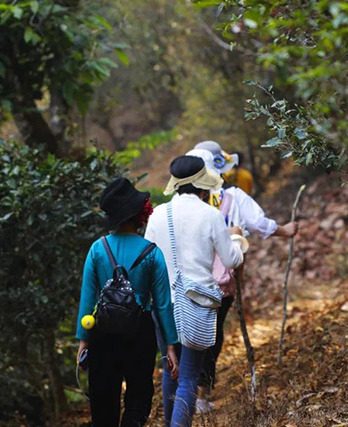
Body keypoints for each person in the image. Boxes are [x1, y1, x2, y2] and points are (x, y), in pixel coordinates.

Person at [187, 143, 299, 412]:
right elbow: (259, 224)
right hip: (225, 277)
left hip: (190, 278)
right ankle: (202, 394)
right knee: (214, 333)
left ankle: (188, 393)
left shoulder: (187, 202)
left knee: (194, 333)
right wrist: (285, 230)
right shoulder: (234, 196)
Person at [145, 156, 244, 427]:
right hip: (197, 303)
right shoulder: (210, 215)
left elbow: (147, 258)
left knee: (170, 370)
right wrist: (235, 239)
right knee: (189, 376)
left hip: (164, 303)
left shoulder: (156, 215)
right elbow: (232, 260)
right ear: (203, 187)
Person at [76, 177, 179, 427]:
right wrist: (170, 345)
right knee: (139, 395)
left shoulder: (97, 249)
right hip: (140, 332)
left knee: (102, 398)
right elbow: (163, 304)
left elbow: (87, 298)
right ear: (139, 214)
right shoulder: (152, 253)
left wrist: (83, 340)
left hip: (102, 330)